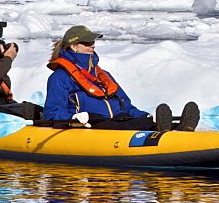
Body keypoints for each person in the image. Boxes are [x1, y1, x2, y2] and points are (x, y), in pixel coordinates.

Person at [46, 25, 199, 132]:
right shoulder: (60, 77)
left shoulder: (102, 75)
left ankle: (175, 128)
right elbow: (53, 111)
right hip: (91, 123)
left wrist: (144, 115)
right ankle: (165, 132)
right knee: (126, 126)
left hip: (117, 118)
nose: (92, 46)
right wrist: (74, 118)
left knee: (137, 121)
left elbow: (126, 105)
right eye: (87, 43)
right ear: (74, 46)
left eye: (93, 42)